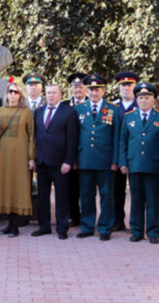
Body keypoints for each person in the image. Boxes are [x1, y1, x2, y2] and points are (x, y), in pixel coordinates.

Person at [119, 82, 159, 244]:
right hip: (134, 165)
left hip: (153, 166)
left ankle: (154, 232)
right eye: (140, 98)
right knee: (136, 200)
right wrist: (123, 162)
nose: (143, 101)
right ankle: (136, 230)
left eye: (147, 98)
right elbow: (123, 142)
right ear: (136, 100)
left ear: (153, 100)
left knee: (153, 201)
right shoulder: (129, 117)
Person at [75, 74, 120, 241]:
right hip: (84, 159)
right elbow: (75, 136)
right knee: (86, 194)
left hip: (105, 161)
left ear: (104, 90)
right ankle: (87, 226)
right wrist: (74, 159)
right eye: (91, 89)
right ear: (87, 90)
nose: (94, 93)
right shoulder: (79, 109)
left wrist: (115, 160)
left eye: (98, 89)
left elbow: (116, 137)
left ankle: (105, 228)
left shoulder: (113, 109)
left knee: (106, 195)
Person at [33, 83, 79, 240]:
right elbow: (36, 137)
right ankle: (44, 226)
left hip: (60, 163)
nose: (50, 96)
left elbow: (72, 139)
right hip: (42, 162)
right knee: (42, 196)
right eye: (48, 93)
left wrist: (68, 161)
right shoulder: (38, 112)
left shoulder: (69, 112)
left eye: (54, 93)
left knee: (62, 196)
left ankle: (62, 228)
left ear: (60, 94)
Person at [0, 82, 36, 237]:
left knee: (18, 189)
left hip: (20, 156)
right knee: (6, 189)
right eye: (10, 91)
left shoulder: (26, 112)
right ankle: (9, 224)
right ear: (6, 93)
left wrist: (32, 157)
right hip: (3, 156)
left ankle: (15, 226)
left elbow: (32, 136)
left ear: (20, 95)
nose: (13, 94)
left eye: (16, 92)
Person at [111, 71, 140, 231]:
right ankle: (117, 220)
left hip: (136, 154)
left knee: (137, 191)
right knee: (116, 190)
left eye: (129, 85)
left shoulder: (142, 104)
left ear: (135, 87)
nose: (126, 88)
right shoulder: (113, 106)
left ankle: (137, 223)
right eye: (123, 85)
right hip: (118, 154)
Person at [64, 72, 87, 227]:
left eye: (80, 86)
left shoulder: (91, 104)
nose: (77, 89)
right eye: (75, 87)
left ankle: (86, 217)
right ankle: (74, 216)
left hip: (86, 153)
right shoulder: (65, 105)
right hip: (69, 153)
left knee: (85, 188)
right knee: (71, 188)